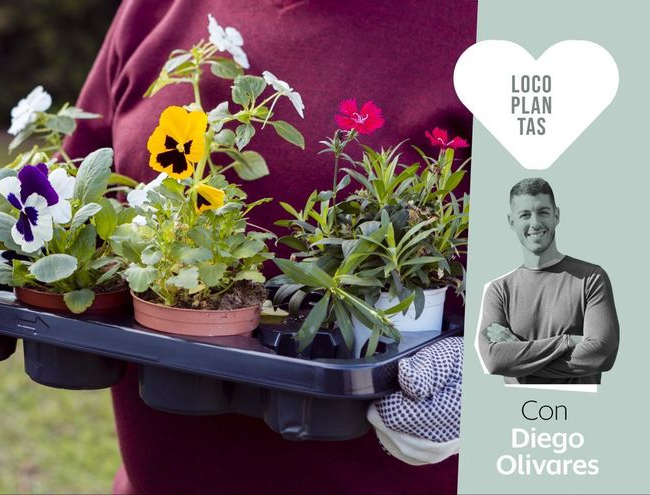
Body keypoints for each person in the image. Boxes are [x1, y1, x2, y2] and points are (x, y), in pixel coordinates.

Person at [65, 1, 477, 492]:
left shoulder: (500, 23)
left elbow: (575, 296)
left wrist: (493, 381)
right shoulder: (155, 10)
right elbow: (73, 192)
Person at [476, 178, 619, 385]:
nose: (535, 223)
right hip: (515, 409)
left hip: (579, 411)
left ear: (556, 215)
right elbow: (494, 361)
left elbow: (603, 355)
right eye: (525, 214)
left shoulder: (591, 278)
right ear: (511, 221)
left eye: (542, 212)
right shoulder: (499, 290)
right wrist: (568, 341)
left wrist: (518, 355)